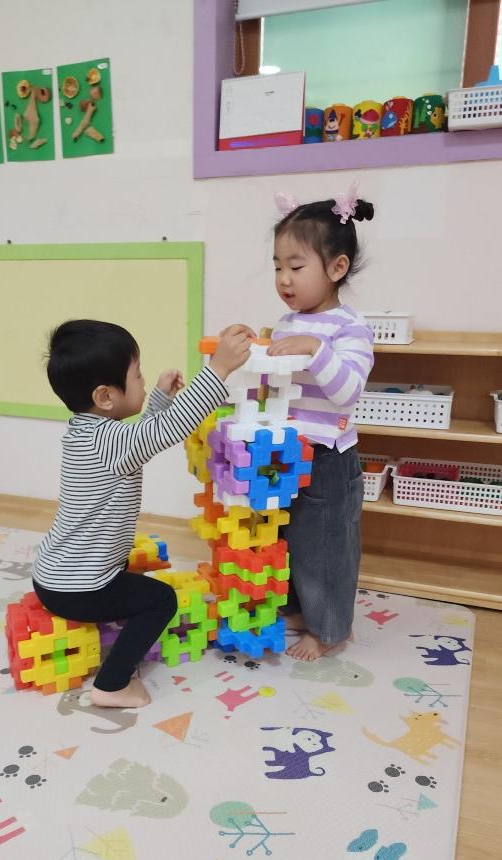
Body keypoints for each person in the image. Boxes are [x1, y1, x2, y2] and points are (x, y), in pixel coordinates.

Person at [32, 318, 252, 708]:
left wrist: (160, 399)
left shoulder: (89, 433)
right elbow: (167, 430)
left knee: (132, 577)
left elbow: (144, 435)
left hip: (54, 575)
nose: (142, 380)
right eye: (136, 375)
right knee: (161, 600)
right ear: (105, 396)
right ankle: (112, 685)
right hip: (79, 589)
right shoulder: (111, 442)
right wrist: (218, 368)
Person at [266, 184, 375, 662]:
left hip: (328, 457)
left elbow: (347, 390)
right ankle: (300, 609)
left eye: (296, 267)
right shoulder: (287, 323)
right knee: (287, 537)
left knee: (326, 544)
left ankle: (330, 629)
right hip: (286, 451)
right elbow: (275, 386)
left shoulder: (350, 327)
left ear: (336, 268)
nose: (283, 279)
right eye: (277, 267)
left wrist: (317, 350)